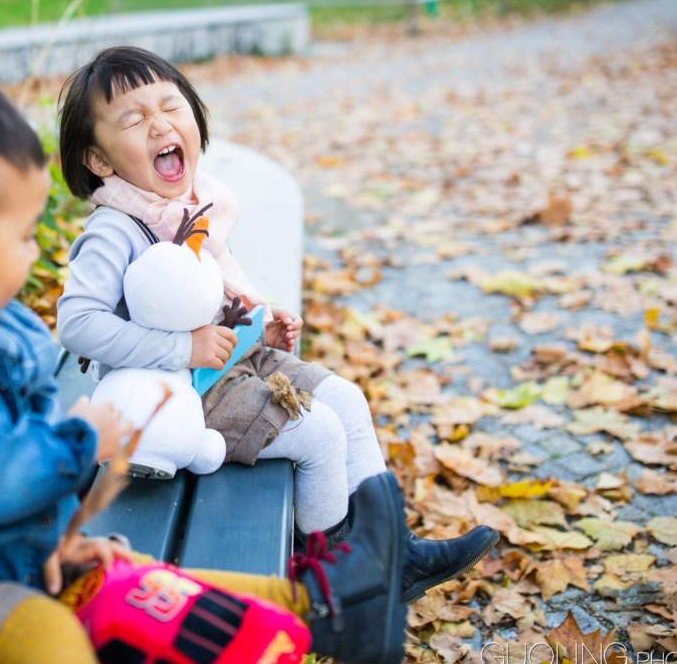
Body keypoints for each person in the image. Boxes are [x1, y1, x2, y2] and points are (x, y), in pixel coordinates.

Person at [0, 71, 417, 664]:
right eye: (23, 235)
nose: (36, 253)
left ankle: (332, 608)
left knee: (153, 588)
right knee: (48, 636)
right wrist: (79, 444)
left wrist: (58, 540)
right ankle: (332, 603)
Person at [55, 46, 499, 599]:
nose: (160, 125)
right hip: (181, 393)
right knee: (319, 434)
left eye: (171, 107)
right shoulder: (115, 229)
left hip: (231, 361)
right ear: (98, 160)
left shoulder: (191, 206)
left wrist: (256, 326)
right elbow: (77, 324)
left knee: (348, 401)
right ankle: (337, 580)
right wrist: (181, 347)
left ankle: (394, 552)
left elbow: (202, 295)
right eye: (134, 119)